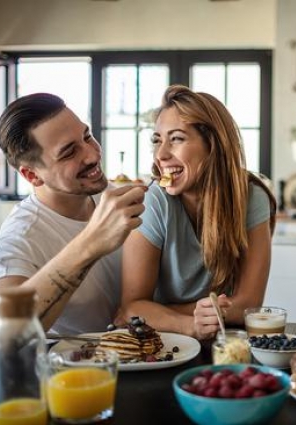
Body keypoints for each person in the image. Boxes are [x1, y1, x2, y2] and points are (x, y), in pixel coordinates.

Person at [0, 93, 147, 347]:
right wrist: (90, 244)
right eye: (69, 153)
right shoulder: (22, 235)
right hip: (79, 376)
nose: (92, 155)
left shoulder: (118, 196)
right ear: (31, 175)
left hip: (157, 358)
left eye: (87, 136)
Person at [117, 85, 276, 340]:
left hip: (224, 341)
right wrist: (191, 322)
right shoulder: (156, 201)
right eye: (157, 140)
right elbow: (130, 309)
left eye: (177, 138)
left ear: (213, 145)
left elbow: (249, 304)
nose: (161, 154)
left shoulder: (251, 197)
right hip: (163, 342)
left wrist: (163, 313)